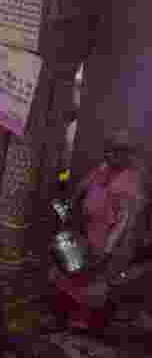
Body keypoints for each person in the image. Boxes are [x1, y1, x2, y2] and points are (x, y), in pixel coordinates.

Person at [52, 129, 149, 329]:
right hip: (89, 232)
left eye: (118, 151)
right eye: (109, 149)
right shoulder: (103, 169)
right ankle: (72, 316)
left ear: (128, 155)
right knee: (73, 273)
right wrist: (69, 210)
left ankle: (84, 323)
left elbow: (123, 227)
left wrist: (107, 252)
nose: (110, 155)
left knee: (94, 282)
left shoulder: (131, 185)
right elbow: (81, 189)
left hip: (109, 241)